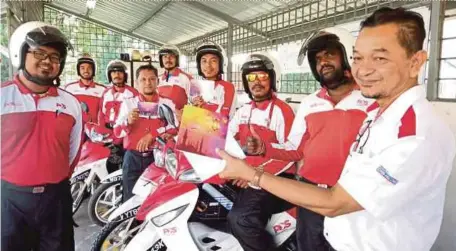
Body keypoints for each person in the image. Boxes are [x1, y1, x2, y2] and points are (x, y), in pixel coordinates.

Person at [216, 7, 456, 251]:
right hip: (314, 201)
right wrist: (265, 148)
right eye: (359, 57)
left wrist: (252, 175)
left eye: (380, 58)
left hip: (343, 210)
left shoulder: (407, 128)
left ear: (415, 63)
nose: (364, 69)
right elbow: (295, 149)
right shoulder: (371, 113)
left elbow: (337, 202)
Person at [246, 28, 372, 251]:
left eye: (329, 54)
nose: (323, 62)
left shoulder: (369, 99)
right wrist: (264, 148)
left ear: (347, 56)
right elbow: (295, 148)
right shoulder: (310, 103)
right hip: (311, 193)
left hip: (350, 196)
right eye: (317, 59)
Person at [1, 21, 83, 251]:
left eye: (54, 57)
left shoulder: (70, 103)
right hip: (8, 200)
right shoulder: (2, 96)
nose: (47, 61)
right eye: (39, 53)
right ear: (22, 54)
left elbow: (74, 151)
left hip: (56, 199)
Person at [227, 52, 296, 251]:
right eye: (251, 77)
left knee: (241, 219)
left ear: (272, 79)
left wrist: (252, 175)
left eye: (263, 76)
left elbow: (290, 154)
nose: (257, 82)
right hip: (250, 174)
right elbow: (225, 139)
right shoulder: (243, 111)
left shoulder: (283, 111)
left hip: (277, 178)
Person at [114, 64, 177, 200]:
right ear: (136, 83)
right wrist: (128, 122)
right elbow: (117, 132)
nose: (148, 83)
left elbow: (174, 127)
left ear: (157, 81)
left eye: (152, 79)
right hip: (132, 159)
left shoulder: (167, 103)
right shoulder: (128, 104)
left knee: (155, 200)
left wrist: (152, 135)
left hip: (158, 158)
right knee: (130, 201)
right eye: (143, 79)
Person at [97, 60, 139, 165]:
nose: (117, 75)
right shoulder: (106, 93)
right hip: (108, 134)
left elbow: (135, 117)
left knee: (123, 164)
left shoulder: (132, 93)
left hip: (124, 134)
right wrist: (102, 132)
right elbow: (101, 114)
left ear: (125, 75)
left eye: (120, 72)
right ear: (109, 75)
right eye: (114, 72)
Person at [192, 41, 236, 119]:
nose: (208, 65)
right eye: (204, 61)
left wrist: (203, 107)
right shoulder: (195, 86)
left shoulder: (228, 87)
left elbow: (224, 119)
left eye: (213, 61)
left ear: (221, 63)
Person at [65, 54, 106, 124]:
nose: (86, 71)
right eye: (82, 68)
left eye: (89, 68)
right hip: (75, 130)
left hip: (95, 131)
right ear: (78, 70)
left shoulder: (103, 90)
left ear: (93, 70)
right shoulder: (69, 88)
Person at [156, 44, 192, 119]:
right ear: (161, 60)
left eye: (171, 56)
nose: (168, 59)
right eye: (165, 57)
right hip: (162, 122)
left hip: (180, 122)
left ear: (177, 59)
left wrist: (184, 113)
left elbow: (196, 102)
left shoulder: (187, 78)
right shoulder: (157, 79)